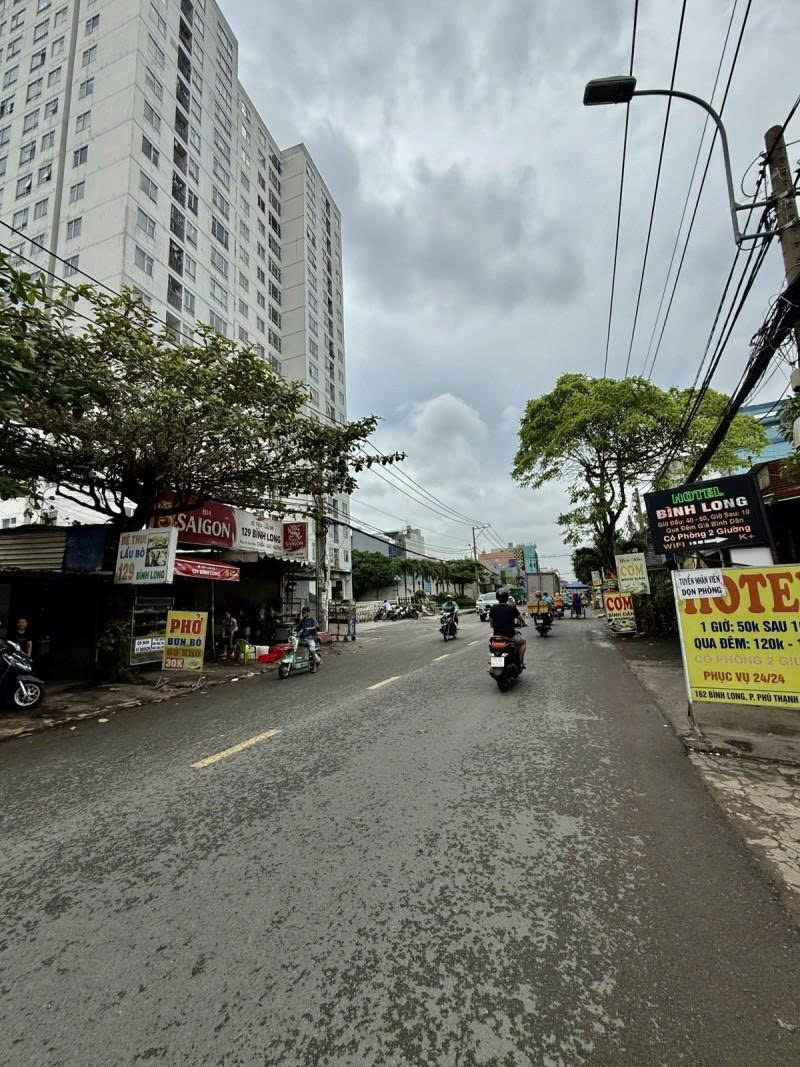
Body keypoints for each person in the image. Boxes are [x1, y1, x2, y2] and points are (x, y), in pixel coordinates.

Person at [488, 590, 526, 668]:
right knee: (523, 642)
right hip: (510, 636)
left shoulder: (493, 608)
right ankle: (520, 662)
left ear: (497, 598)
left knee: (491, 644)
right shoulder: (511, 607)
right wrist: (524, 623)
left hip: (497, 636)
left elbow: (491, 622)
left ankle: (494, 660)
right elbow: (520, 618)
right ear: (507, 598)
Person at [295, 606, 321, 671]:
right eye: (302, 613)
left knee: (312, 650)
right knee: (295, 648)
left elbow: (316, 627)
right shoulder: (302, 620)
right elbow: (297, 627)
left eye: (304, 613)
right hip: (303, 638)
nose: (302, 614)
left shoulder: (312, 619)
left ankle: (314, 666)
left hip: (311, 638)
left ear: (308, 612)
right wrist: (294, 629)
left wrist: (310, 628)